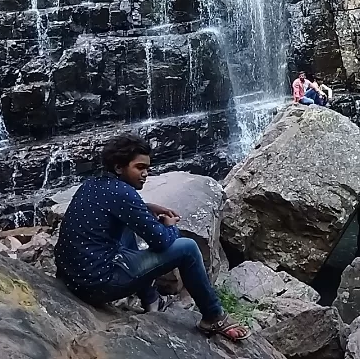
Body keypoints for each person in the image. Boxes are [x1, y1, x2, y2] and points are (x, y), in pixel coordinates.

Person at [54, 133, 250, 341]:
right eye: (139, 168)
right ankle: (213, 316)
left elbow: (115, 209)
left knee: (128, 226)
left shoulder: (94, 184)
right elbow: (162, 242)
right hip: (97, 284)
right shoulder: (123, 193)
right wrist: (170, 226)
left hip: (72, 277)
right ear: (119, 168)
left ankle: (151, 301)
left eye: (147, 168)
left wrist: (145, 208)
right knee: (187, 248)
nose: (146, 174)